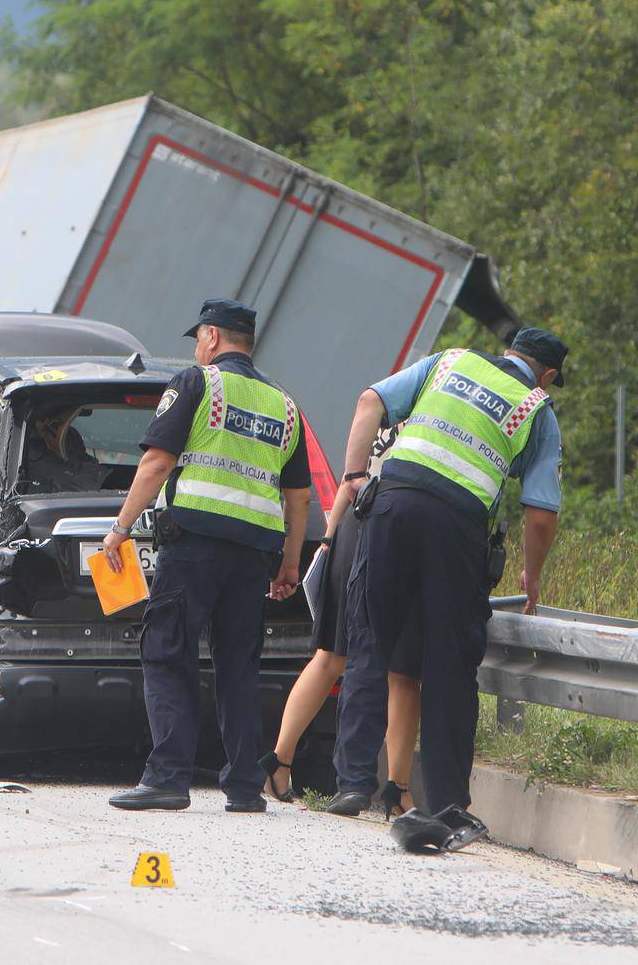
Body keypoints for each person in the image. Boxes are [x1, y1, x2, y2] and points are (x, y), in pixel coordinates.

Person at [331, 327, 566, 847]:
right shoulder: (536, 408)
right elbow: (541, 514)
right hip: (457, 527)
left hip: (392, 502)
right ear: (547, 376)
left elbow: (369, 400)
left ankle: (351, 784)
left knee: (370, 636)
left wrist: (353, 477)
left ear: (508, 351)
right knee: (449, 662)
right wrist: (532, 573)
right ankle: (445, 802)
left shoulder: (450, 361)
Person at [102, 299, 313, 813]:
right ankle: (244, 786)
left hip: (194, 541)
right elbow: (300, 495)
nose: (197, 347)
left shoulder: (197, 384)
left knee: (169, 650)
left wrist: (120, 528)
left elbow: (156, 461)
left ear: (213, 336)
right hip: (255, 553)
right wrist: (289, 564)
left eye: (198, 337)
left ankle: (167, 779)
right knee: (238, 664)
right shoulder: (284, 404)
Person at [259, 475, 421, 816]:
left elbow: (349, 482)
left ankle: (279, 762)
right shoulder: (430, 431)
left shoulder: (378, 422)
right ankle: (399, 789)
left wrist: (329, 540)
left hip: (355, 525)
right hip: (395, 532)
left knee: (332, 656)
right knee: (399, 669)